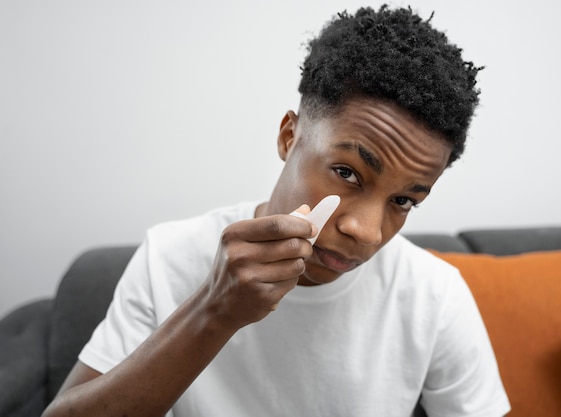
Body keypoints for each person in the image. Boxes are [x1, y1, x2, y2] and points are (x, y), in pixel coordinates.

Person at [43, 5, 510, 417]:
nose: (365, 232)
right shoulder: (169, 257)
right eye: (347, 173)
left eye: (403, 200)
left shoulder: (435, 294)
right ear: (290, 136)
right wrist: (215, 311)